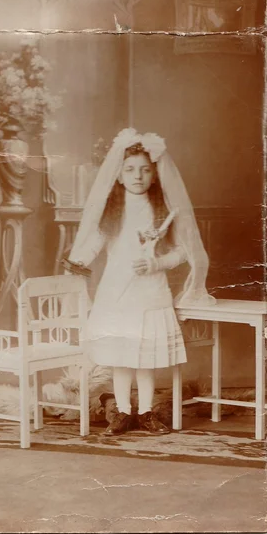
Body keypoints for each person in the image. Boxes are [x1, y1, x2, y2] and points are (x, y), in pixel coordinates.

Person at [68, 128, 214, 436]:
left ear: (155, 175)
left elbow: (183, 251)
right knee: (121, 357)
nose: (138, 176)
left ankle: (146, 413)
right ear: (119, 176)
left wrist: (156, 262)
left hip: (150, 290)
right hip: (116, 291)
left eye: (145, 170)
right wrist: (79, 260)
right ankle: (122, 413)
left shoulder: (163, 209)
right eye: (130, 170)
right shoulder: (113, 209)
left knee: (145, 357)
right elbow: (96, 241)